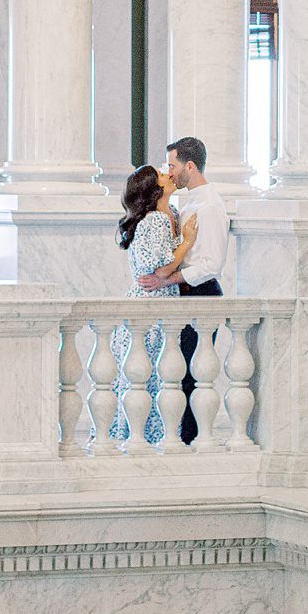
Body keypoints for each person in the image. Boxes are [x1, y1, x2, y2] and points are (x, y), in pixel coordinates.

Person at [134, 135, 229, 444]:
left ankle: (190, 443)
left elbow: (210, 266)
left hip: (200, 293)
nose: (169, 172)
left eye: (172, 165)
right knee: (175, 372)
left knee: (191, 375)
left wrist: (166, 280)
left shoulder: (211, 206)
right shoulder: (189, 202)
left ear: (190, 165)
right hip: (182, 292)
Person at [110, 163, 195, 445]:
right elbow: (159, 269)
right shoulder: (154, 220)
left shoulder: (171, 214)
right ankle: (142, 438)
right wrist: (189, 242)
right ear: (154, 188)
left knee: (157, 375)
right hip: (150, 305)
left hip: (161, 302)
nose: (168, 174)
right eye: (161, 174)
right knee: (147, 375)